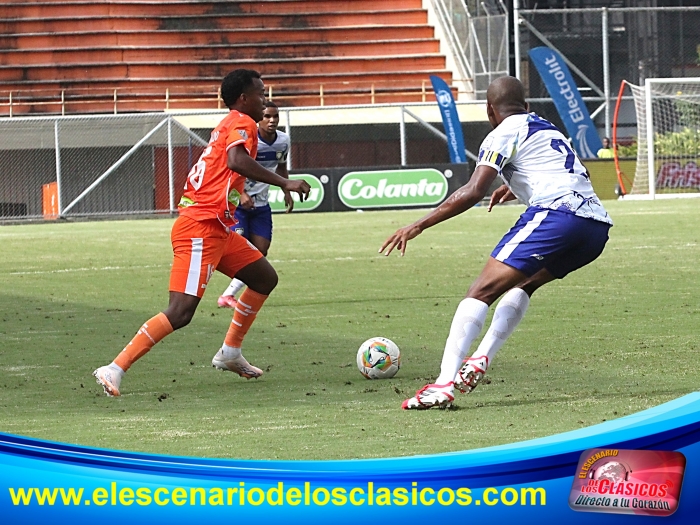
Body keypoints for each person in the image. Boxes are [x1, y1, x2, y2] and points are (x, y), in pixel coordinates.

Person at [379, 76, 612, 410]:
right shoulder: (548, 128)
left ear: (490, 110)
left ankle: (443, 384)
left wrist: (418, 225)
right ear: (526, 106)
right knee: (525, 284)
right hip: (595, 227)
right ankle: (480, 358)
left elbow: (473, 191)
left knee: (480, 292)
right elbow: (565, 172)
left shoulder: (501, 132)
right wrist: (516, 186)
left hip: (557, 216)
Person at [93, 69, 311, 397]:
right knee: (181, 312)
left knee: (264, 278)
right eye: (260, 94)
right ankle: (115, 367)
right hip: (200, 228)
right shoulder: (242, 121)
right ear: (243, 99)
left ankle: (230, 353)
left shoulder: (232, 123)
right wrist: (285, 182)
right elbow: (236, 160)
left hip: (217, 228)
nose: (264, 100)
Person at [218, 101, 293, 309]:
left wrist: (286, 190)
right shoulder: (249, 139)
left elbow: (281, 167)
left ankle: (228, 295)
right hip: (238, 204)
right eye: (267, 116)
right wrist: (241, 193)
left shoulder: (283, 141)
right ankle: (227, 293)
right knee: (240, 249)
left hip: (261, 205)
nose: (272, 120)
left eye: (275, 116)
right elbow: (232, 167)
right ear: (260, 118)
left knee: (261, 251)